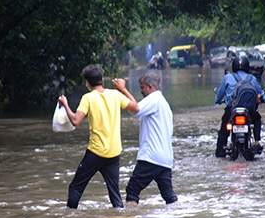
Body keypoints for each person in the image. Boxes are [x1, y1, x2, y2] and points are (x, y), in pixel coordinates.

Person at [58, 64, 139, 209]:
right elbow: (136, 107)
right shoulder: (115, 95)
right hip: (114, 153)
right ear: (102, 79)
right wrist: (123, 89)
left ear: (87, 83)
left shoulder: (88, 98)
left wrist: (65, 105)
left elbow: (75, 121)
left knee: (75, 188)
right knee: (115, 194)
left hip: (96, 152)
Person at [124, 70, 177, 205]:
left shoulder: (154, 99)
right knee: (168, 196)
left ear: (150, 87)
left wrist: (123, 90)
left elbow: (135, 110)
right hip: (165, 159)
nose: (141, 91)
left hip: (151, 157)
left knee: (132, 190)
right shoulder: (165, 105)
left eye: (142, 88)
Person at [214, 55, 265, 157]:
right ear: (247, 66)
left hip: (231, 110)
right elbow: (261, 94)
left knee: (224, 129)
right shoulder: (252, 79)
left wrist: (218, 100)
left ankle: (220, 151)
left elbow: (219, 95)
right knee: (257, 119)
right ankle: (257, 141)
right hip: (249, 111)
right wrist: (263, 98)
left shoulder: (227, 77)